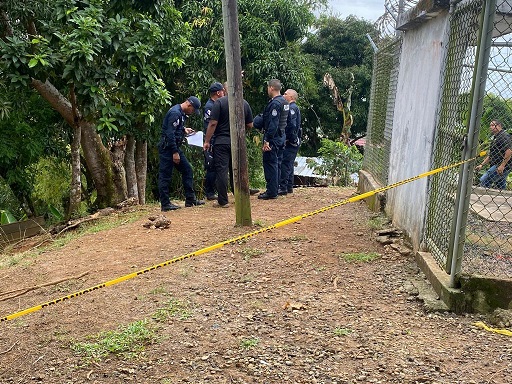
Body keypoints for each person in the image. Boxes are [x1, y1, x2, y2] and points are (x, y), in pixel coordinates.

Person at [203, 84, 254, 208]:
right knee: (237, 170)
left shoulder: (219, 103)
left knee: (222, 171)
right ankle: (240, 196)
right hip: (238, 142)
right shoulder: (244, 103)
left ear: (225, 90)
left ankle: (223, 201)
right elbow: (250, 125)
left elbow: (213, 123)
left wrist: (207, 141)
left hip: (222, 142)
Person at [158, 96, 205, 211]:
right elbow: (169, 134)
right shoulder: (175, 112)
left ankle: (190, 199)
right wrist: (174, 152)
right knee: (165, 176)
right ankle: (165, 204)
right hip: (168, 149)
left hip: (174, 148)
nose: (193, 112)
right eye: (193, 110)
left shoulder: (181, 113)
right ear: (189, 105)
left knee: (187, 170)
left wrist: (184, 129)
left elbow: (175, 128)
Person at [257, 79, 289, 200]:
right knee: (277, 164)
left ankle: (271, 191)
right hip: (281, 136)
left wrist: (267, 140)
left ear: (271, 88)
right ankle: (275, 189)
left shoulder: (275, 104)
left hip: (274, 138)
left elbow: (273, 124)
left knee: (270, 164)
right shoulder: (284, 102)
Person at [203, 82, 225, 200]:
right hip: (211, 140)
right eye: (223, 91)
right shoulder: (210, 106)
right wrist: (209, 141)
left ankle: (216, 190)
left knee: (217, 166)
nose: (224, 93)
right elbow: (210, 125)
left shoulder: (217, 104)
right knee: (211, 166)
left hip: (217, 139)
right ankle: (210, 193)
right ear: (218, 92)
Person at [475, 120, 512, 190]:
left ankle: (483, 197)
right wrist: (482, 165)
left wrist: (502, 165)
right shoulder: (496, 138)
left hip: (502, 165)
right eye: (490, 125)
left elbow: (509, 151)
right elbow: (491, 155)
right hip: (500, 165)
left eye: (493, 125)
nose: (491, 127)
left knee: (484, 180)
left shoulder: (503, 136)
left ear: (499, 126)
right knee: (500, 186)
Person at [278, 89, 301, 196]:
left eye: (285, 94)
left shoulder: (291, 109)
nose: (283, 95)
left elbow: (292, 125)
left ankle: (283, 187)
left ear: (291, 97)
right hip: (293, 141)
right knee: (289, 164)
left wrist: (291, 139)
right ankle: (289, 186)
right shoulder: (294, 108)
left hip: (290, 142)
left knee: (285, 163)